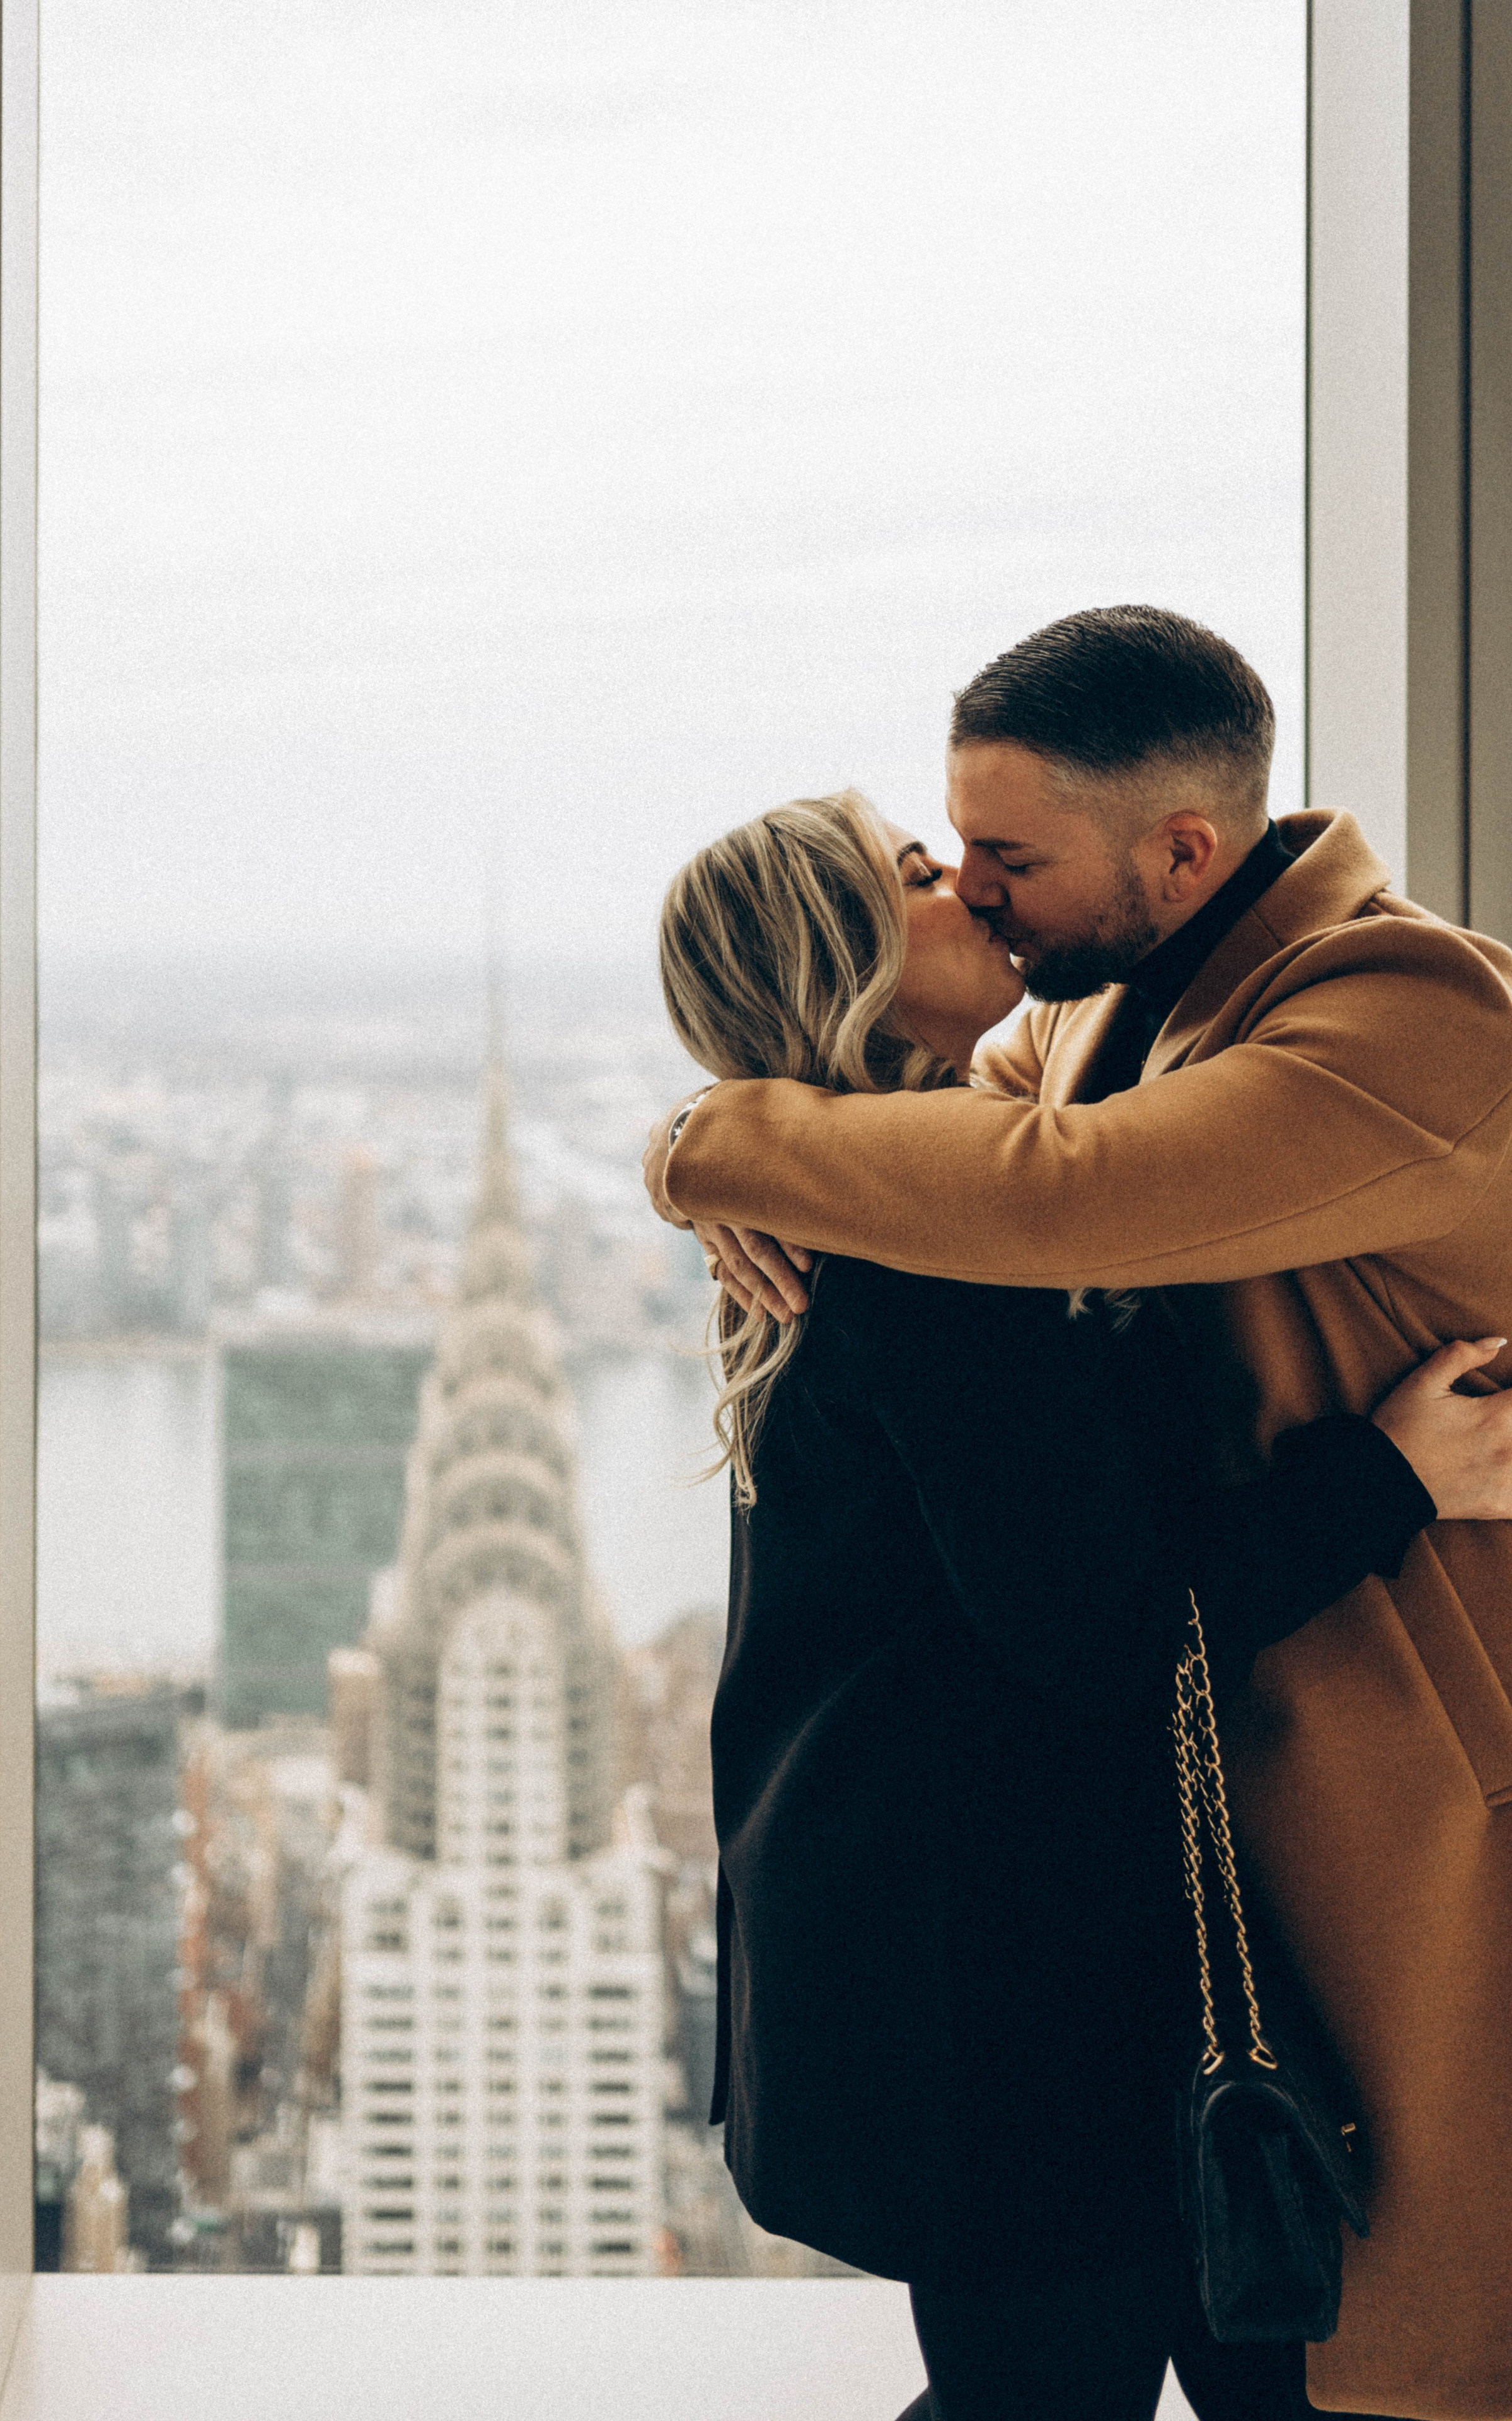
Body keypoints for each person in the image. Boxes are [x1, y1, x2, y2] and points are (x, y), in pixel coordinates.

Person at [646, 608, 1512, 2421]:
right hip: (1013, 1987)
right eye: (931, 870)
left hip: (1009, 1962)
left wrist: (710, 1137)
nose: (977, 889)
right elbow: (1094, 1616)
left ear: (1178, 853)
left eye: (998, 858)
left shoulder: (1384, 1013)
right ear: (855, 979)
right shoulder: (948, 1203)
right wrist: (1388, 1475)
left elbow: (1069, 1186)